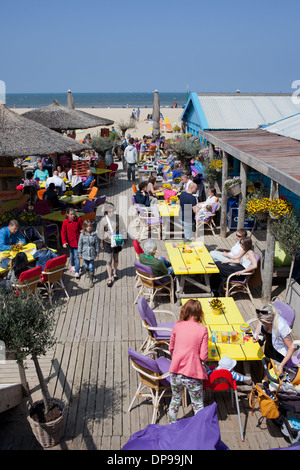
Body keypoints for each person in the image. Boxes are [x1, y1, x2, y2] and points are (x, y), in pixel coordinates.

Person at [168, 299, 208, 424]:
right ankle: (198, 427)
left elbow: (171, 348)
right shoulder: (202, 330)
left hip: (175, 371)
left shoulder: (177, 325)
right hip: (192, 373)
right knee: (197, 404)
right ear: (199, 313)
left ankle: (172, 424)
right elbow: (203, 356)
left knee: (175, 399)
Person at [253, 303, 295, 377]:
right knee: (266, 371)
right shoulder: (263, 319)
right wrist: (257, 334)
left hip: (278, 354)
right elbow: (258, 324)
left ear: (271, 317)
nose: (261, 323)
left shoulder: (281, 325)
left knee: (272, 377)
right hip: (268, 348)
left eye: (264, 322)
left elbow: (292, 347)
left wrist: (281, 365)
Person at [97, 202, 126, 287]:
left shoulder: (118, 218)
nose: (111, 213)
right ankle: (109, 277)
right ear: (106, 212)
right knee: (109, 260)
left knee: (116, 259)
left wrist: (123, 240)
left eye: (112, 210)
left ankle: (115, 272)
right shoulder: (103, 220)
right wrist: (101, 243)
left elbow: (123, 229)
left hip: (117, 241)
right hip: (107, 242)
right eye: (109, 211)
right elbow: (101, 232)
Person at [61, 208, 83, 279]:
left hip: (78, 242)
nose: (73, 215)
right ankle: (72, 265)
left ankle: (77, 271)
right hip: (70, 242)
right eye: (71, 214)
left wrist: (83, 232)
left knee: (77, 256)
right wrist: (64, 242)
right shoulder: (65, 222)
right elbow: (63, 232)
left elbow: (82, 228)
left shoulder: (79, 220)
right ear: (67, 214)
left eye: (73, 214)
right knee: (71, 254)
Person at [78, 220, 100, 288]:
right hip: (85, 253)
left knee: (91, 266)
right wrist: (80, 253)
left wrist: (97, 252)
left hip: (92, 253)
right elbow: (80, 245)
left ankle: (91, 279)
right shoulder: (82, 235)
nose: (89, 228)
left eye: (90, 226)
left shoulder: (94, 235)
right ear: (84, 227)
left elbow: (96, 244)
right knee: (86, 266)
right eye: (87, 226)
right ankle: (87, 271)